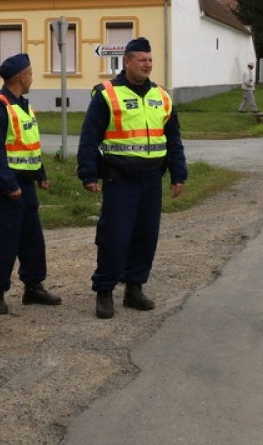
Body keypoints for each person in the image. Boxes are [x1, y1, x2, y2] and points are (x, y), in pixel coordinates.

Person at [77, 37, 187, 319]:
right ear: (127, 62)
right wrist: (88, 172)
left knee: (145, 236)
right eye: (142, 60)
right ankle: (104, 291)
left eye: (150, 60)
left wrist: (179, 174)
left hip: (152, 180)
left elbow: (173, 139)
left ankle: (134, 288)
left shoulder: (161, 96)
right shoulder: (107, 94)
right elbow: (89, 138)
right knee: (115, 236)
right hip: (120, 179)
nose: (148, 65)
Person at [0, 53, 61, 315]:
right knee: (4, 240)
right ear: (22, 77)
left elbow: (30, 145)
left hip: (26, 184)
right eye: (31, 74)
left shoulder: (24, 106)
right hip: (7, 187)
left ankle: (33, 287)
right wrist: (8, 185)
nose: (32, 78)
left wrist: (41, 174)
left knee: (32, 240)